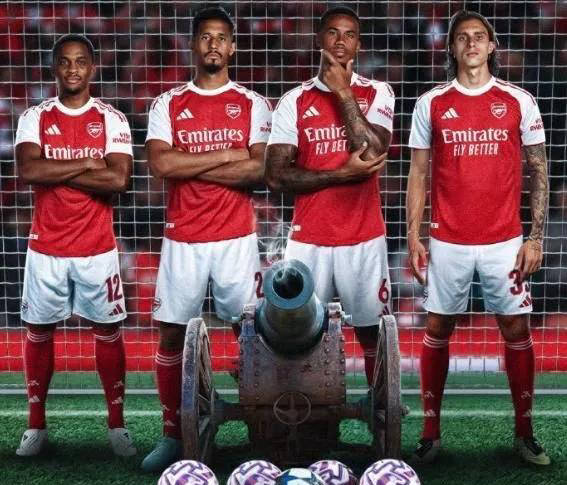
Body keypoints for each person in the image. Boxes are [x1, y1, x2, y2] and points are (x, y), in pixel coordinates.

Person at [406, 10, 550, 465]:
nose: (471, 43)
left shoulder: (518, 100)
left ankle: (524, 433)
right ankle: (430, 433)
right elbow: (418, 171)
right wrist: (413, 235)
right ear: (451, 48)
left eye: (479, 36)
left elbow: (539, 169)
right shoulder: (431, 103)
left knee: (516, 328)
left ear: (492, 46)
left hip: (505, 240)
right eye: (462, 37)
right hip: (447, 239)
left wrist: (536, 238)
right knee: (437, 327)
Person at [142, 7, 272, 472]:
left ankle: (261, 427)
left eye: (221, 38)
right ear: (194, 45)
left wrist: (192, 162)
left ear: (233, 47)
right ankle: (172, 434)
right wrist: (228, 154)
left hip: (236, 237)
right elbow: (163, 165)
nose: (213, 45)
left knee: (251, 333)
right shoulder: (168, 103)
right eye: (205, 37)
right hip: (184, 237)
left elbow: (260, 169)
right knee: (171, 332)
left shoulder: (253, 103)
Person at [14, 34, 135, 457]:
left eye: (80, 61)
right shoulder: (34, 117)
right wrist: (86, 162)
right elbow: (29, 170)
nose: (72, 69)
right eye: (65, 62)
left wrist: (56, 168)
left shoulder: (112, 118)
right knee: (39, 330)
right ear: (54, 68)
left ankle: (116, 424)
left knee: (108, 331)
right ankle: (35, 426)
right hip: (45, 247)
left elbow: (118, 179)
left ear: (92, 68)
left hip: (97, 247)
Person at [265, 6, 394, 386]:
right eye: (333, 33)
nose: (341, 41)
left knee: (373, 333)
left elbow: (372, 153)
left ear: (359, 44)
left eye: (349, 34)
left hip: (364, 236)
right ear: (319, 39)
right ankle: (301, 413)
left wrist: (342, 91)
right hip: (309, 239)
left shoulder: (378, 92)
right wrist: (341, 174)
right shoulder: (294, 100)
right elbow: (275, 175)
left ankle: (380, 411)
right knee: (298, 332)